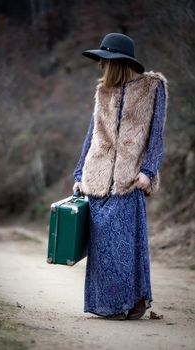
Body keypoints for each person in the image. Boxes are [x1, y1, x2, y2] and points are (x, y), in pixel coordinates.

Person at [72, 33, 168, 320]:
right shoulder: (102, 91)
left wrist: (148, 171)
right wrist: (79, 174)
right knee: (102, 250)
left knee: (126, 247)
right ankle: (110, 306)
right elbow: (92, 136)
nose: (101, 65)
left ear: (117, 62)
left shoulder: (153, 87)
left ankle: (134, 301)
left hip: (130, 180)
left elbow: (156, 135)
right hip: (97, 179)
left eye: (104, 60)